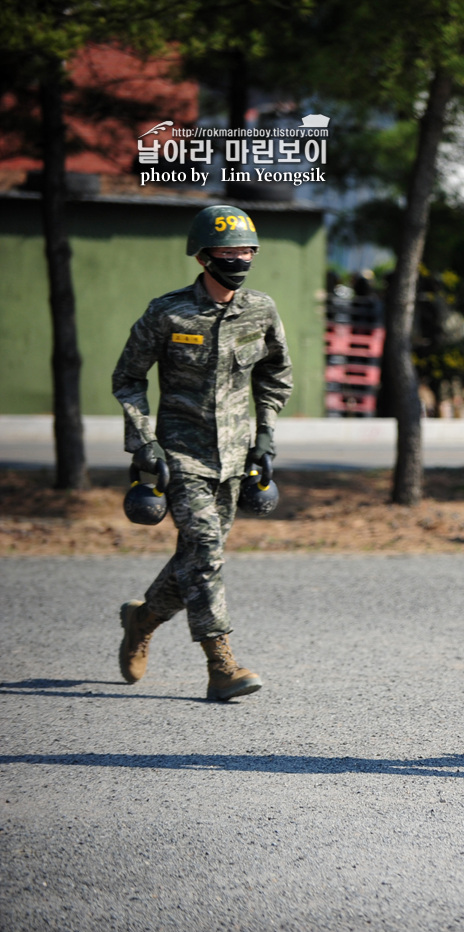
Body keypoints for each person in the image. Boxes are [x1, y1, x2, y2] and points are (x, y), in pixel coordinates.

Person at [111, 204, 293, 701]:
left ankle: (142, 618)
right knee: (207, 552)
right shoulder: (167, 312)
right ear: (204, 256)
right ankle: (221, 665)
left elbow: (276, 377)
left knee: (196, 557)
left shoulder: (260, 310)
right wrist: (143, 440)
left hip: (236, 459)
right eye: (230, 251)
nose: (240, 258)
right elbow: (128, 379)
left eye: (247, 250)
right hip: (181, 456)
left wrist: (265, 436)